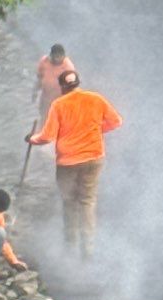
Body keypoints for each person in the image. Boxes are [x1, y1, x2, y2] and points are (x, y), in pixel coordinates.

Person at [26, 70, 122, 258]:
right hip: (94, 159)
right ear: (78, 83)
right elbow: (116, 121)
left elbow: (47, 136)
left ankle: (70, 246)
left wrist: (32, 139)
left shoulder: (59, 105)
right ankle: (88, 249)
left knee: (69, 201)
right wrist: (96, 130)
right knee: (87, 201)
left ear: (62, 86)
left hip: (67, 162)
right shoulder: (96, 99)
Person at [33, 44, 75, 122]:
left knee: (59, 122)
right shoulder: (44, 62)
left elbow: (72, 89)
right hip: (46, 100)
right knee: (45, 120)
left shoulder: (68, 68)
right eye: (55, 56)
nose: (56, 59)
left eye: (59, 57)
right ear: (51, 55)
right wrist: (35, 91)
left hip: (61, 102)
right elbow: (39, 78)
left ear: (63, 56)